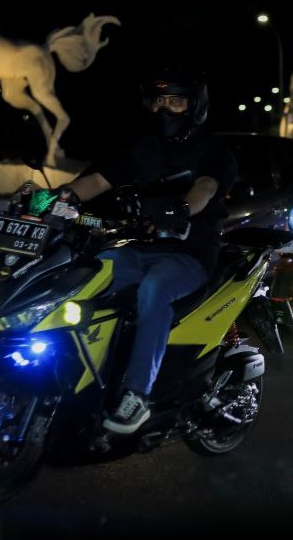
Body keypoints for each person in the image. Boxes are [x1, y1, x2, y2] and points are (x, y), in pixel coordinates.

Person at [61, 66, 237, 434]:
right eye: (158, 102)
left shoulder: (213, 150)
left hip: (190, 253)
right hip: (138, 246)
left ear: (194, 107)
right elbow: (94, 182)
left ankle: (137, 395)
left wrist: (181, 209)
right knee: (89, 273)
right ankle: (78, 372)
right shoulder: (142, 148)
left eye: (175, 102)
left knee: (154, 289)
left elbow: (205, 187)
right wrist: (44, 200)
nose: (164, 109)